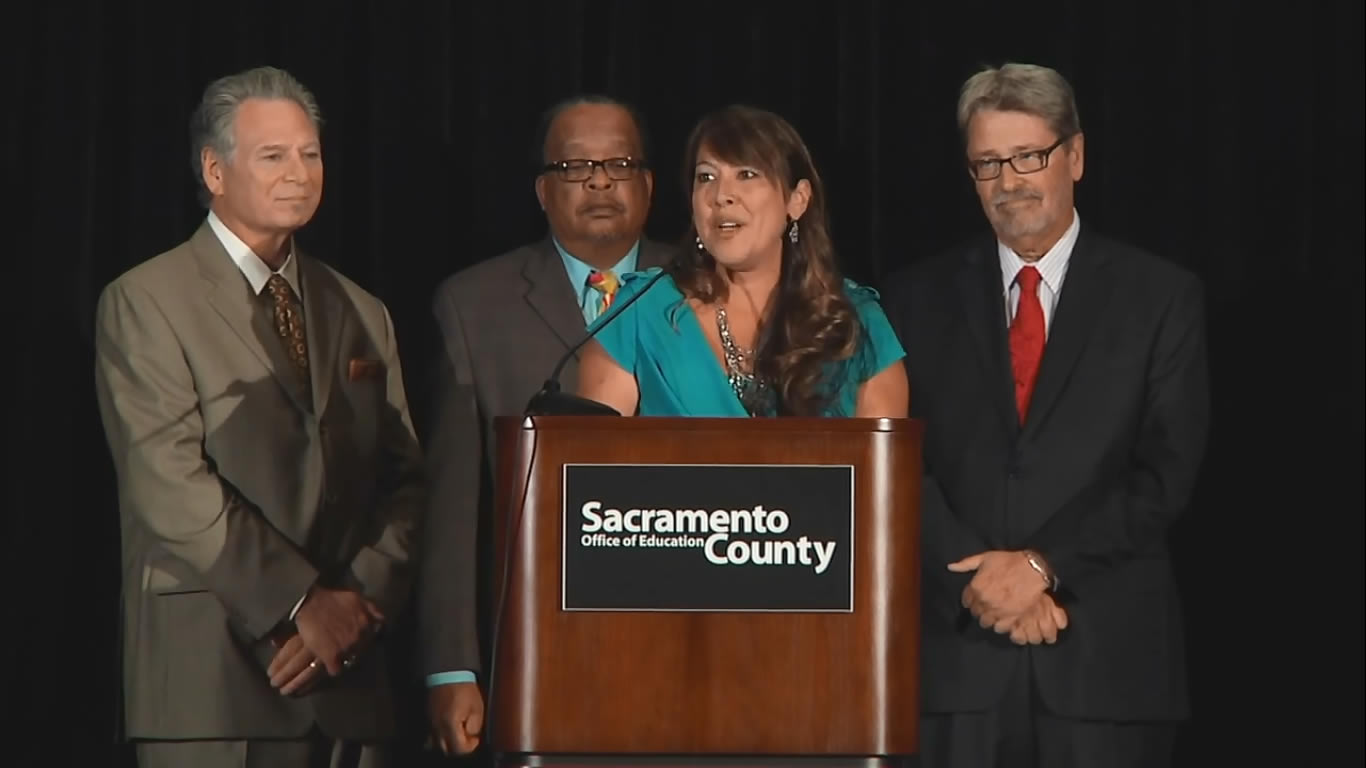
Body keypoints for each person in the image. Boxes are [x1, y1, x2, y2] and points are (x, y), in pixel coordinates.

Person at [880, 62, 1210, 768]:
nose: (1009, 183)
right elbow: (900, 461)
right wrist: (980, 585)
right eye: (988, 164)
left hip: (1106, 668)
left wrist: (1042, 566)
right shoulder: (911, 298)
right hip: (954, 664)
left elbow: (1165, 473)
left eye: (1029, 156)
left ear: (1076, 156)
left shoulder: (1160, 297)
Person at [92, 66, 424, 768]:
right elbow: (168, 482)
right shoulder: (146, 300)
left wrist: (356, 604)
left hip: (347, 677)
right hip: (213, 678)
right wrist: (302, 602)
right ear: (214, 170)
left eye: (310, 154)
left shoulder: (362, 310)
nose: (298, 173)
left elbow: (406, 482)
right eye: (273, 156)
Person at [416, 94, 673, 758]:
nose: (598, 181)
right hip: (537, 651)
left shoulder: (710, 289)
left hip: (683, 642)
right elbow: (451, 508)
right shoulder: (474, 306)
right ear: (541, 189)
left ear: (648, 184)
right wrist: (452, 666)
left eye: (618, 163)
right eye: (574, 166)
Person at [576, 104, 907, 419]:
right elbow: (587, 461)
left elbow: (882, 470)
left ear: (797, 200)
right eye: (706, 177)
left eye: (747, 174)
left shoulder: (856, 323)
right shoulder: (640, 310)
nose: (721, 195)